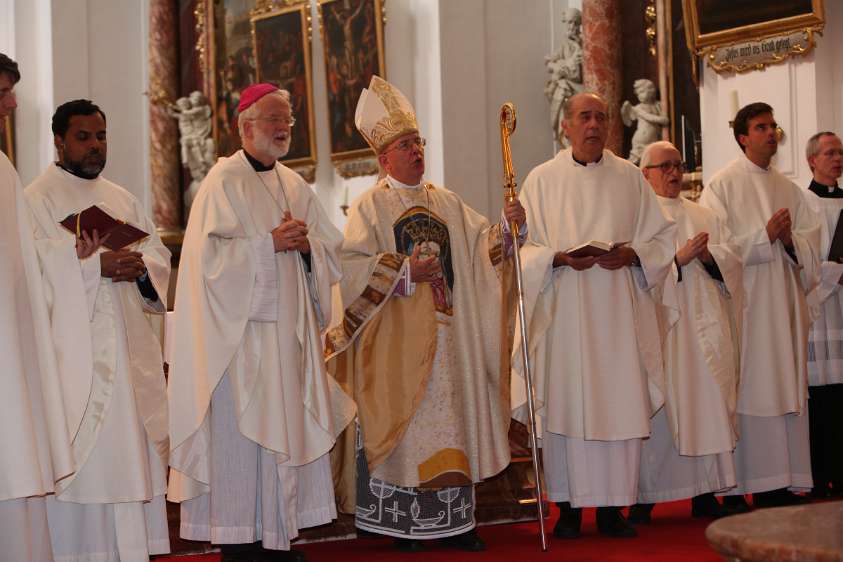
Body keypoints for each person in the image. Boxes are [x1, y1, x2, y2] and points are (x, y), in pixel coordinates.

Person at [325, 75, 536, 553]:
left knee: (452, 424)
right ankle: (405, 528)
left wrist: (508, 230)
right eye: (405, 145)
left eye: (418, 142)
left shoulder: (447, 203)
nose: (416, 151)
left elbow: (482, 255)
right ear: (384, 158)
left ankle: (457, 524)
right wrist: (403, 274)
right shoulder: (370, 206)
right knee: (408, 430)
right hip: (398, 343)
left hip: (449, 337)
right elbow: (352, 267)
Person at [167, 83, 354, 562]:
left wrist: (308, 246)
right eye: (273, 119)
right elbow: (206, 266)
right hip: (240, 347)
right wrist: (266, 245)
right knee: (243, 444)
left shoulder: (295, 184)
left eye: (287, 119)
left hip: (286, 341)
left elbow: (333, 249)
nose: (283, 128)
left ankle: (278, 536)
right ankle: (241, 544)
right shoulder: (221, 183)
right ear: (245, 127)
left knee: (283, 434)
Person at [517, 91, 676, 539]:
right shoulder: (541, 180)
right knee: (568, 403)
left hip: (617, 313)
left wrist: (633, 253)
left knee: (617, 403)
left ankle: (612, 510)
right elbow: (521, 250)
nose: (593, 125)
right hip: (565, 312)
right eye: (584, 117)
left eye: (600, 117)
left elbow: (661, 240)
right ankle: (568, 509)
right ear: (565, 125)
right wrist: (555, 258)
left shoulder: (629, 178)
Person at [25, 99, 172, 561]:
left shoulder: (121, 198)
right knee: (85, 470)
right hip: (79, 364)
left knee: (130, 460)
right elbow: (30, 279)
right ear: (59, 141)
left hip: (129, 359)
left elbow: (160, 258)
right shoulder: (35, 200)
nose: (94, 146)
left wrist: (140, 269)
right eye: (83, 137)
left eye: (101, 136)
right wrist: (93, 268)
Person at [699, 102, 821, 509]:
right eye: (761, 126)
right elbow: (714, 251)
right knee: (751, 387)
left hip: (783, 308)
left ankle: (786, 480)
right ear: (742, 137)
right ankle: (743, 484)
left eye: (773, 126)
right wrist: (763, 236)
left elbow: (811, 249)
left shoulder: (789, 190)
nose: (771, 133)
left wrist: (788, 242)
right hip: (747, 308)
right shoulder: (722, 186)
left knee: (783, 384)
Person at [627, 141, 741, 524]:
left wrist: (710, 257)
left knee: (705, 402)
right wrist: (676, 260)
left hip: (703, 325)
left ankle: (706, 491)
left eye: (678, 165)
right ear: (645, 174)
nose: (674, 172)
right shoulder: (637, 216)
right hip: (661, 327)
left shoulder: (703, 213)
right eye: (665, 166)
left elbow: (733, 264)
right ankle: (649, 494)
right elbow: (634, 268)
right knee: (660, 406)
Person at [0, 52, 75, 562]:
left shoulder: (2, 167)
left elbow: (27, 253)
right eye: (2, 92)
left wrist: (78, 257)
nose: (10, 104)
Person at [803, 131, 843, 498]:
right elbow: (801, 258)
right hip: (818, 311)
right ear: (811, 160)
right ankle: (818, 476)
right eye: (829, 152)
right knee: (820, 397)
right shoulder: (802, 203)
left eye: (840, 153)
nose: (837, 158)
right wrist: (834, 273)